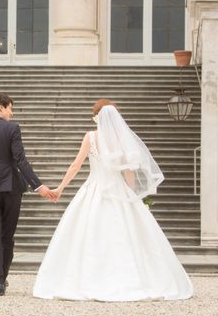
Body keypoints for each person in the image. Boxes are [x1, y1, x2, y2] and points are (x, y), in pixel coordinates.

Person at [33, 99, 193, 301]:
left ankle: (85, 279)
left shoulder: (91, 137)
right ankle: (136, 278)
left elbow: (75, 165)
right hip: (119, 192)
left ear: (97, 117)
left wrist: (60, 188)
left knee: (86, 232)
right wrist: (133, 196)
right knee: (129, 233)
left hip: (93, 190)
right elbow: (129, 173)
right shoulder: (122, 140)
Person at [0, 94, 55, 296]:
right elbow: (20, 160)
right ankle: (2, 277)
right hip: (11, 188)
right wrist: (38, 186)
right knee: (7, 236)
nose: (12, 112)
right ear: (0, 107)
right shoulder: (12, 128)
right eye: (10, 108)